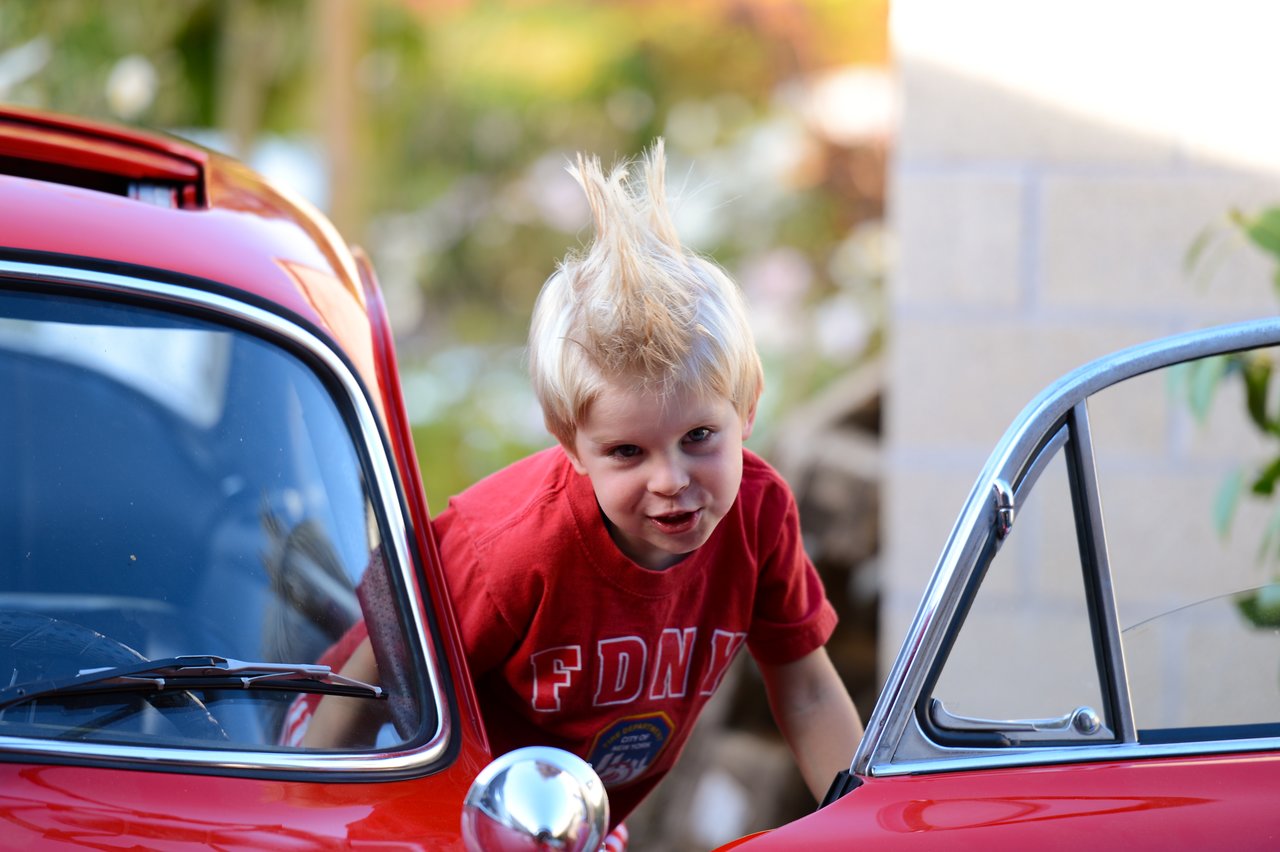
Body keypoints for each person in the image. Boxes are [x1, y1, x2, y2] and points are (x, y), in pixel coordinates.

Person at [433, 139, 863, 829]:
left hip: (581, 824)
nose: (672, 480)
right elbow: (375, 681)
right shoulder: (509, 552)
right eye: (628, 452)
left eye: (699, 438)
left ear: (747, 405)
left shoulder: (759, 511)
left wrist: (862, 822)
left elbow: (806, 688)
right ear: (570, 441)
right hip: (452, 820)